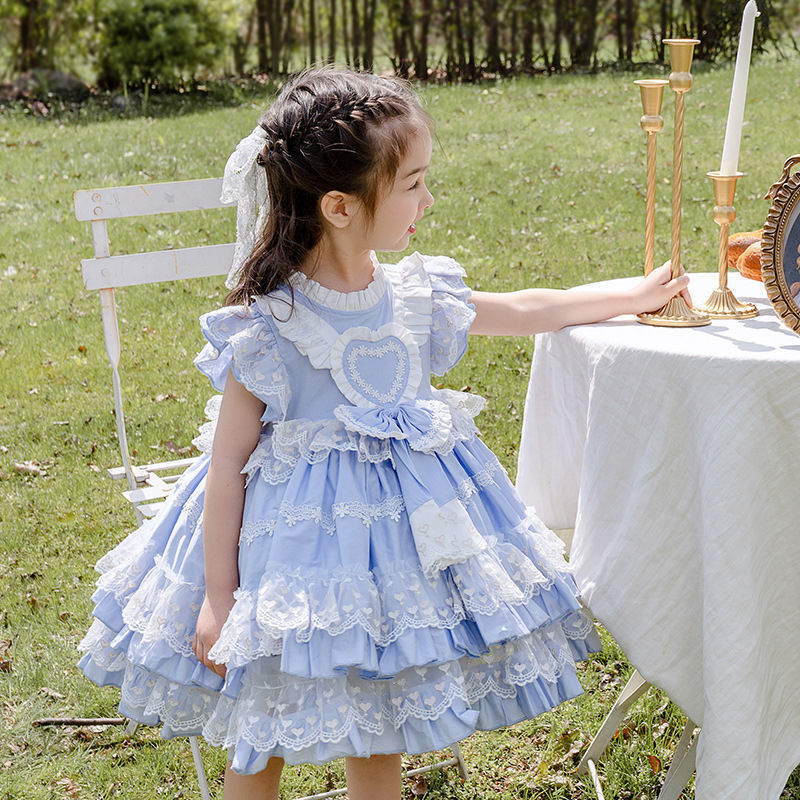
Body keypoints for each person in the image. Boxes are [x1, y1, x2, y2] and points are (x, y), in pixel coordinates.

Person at [78, 67, 691, 800]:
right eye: (413, 185)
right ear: (340, 206)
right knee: (260, 712)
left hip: (401, 549)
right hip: (288, 552)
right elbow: (227, 460)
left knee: (387, 699)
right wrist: (218, 596)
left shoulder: (416, 295)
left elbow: (530, 309)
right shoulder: (268, 327)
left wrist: (633, 293)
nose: (427, 201)